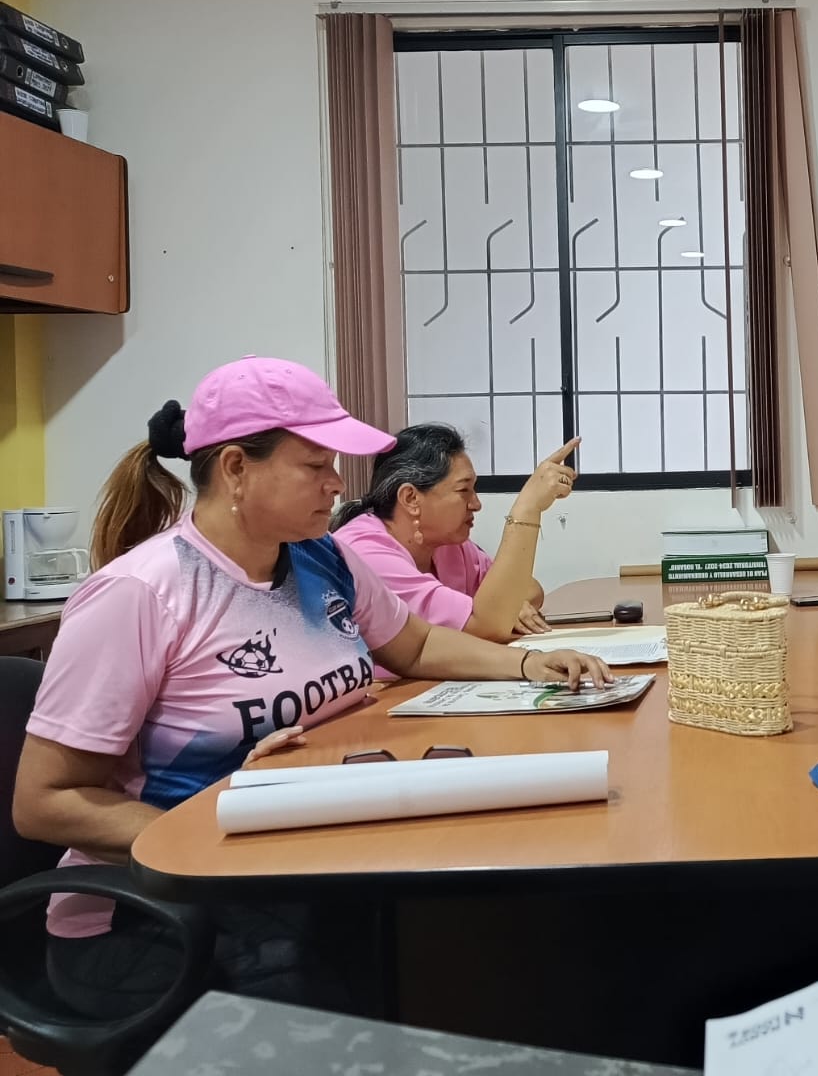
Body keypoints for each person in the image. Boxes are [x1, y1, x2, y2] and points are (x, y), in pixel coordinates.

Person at [13, 357, 610, 1018]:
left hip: (297, 866)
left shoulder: (322, 555)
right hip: (161, 914)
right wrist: (227, 817)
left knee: (483, 936)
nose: (337, 483)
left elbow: (415, 645)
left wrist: (528, 666)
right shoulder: (141, 593)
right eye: (315, 465)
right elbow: (44, 802)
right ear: (236, 468)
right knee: (394, 985)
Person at [332, 425, 577, 670]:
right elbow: (487, 628)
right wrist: (527, 508)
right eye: (463, 490)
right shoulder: (366, 554)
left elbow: (531, 589)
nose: (476, 504)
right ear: (411, 498)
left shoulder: (447, 544)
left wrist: (507, 605)